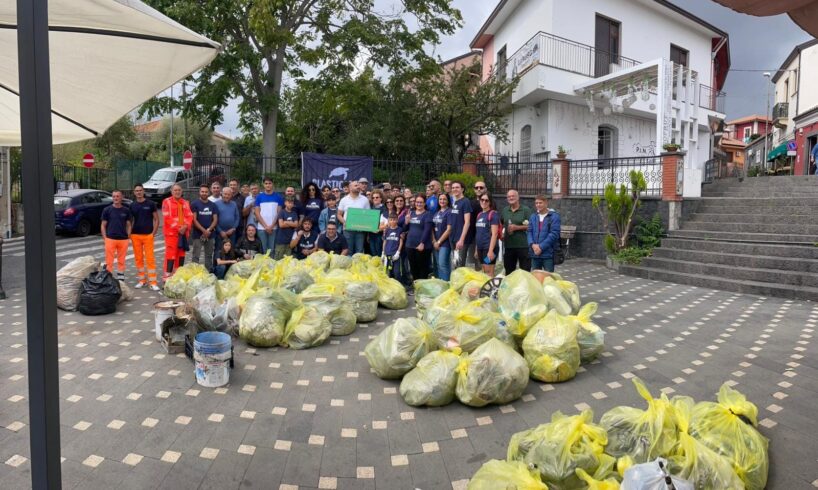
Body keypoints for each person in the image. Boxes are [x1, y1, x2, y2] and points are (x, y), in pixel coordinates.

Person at [129, 184, 160, 290]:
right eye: (136, 190)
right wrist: (129, 234)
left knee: (150, 259)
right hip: (135, 235)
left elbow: (156, 219)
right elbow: (130, 221)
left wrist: (154, 233)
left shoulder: (150, 204)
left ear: (143, 191)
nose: (138, 192)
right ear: (134, 192)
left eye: (140, 190)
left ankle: (153, 282)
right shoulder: (132, 205)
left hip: (148, 236)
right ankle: (142, 280)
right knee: (138, 259)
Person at [161, 184, 193, 280]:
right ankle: (167, 276)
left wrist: (185, 226)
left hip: (183, 234)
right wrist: (179, 228)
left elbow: (190, 215)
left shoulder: (185, 202)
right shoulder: (166, 202)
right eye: (175, 190)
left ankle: (178, 276)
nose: (177, 192)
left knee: (181, 255)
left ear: (181, 191)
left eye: (179, 190)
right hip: (172, 234)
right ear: (171, 191)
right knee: (171, 254)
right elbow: (167, 217)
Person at [101, 190, 133, 281]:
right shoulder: (107, 210)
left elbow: (129, 225)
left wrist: (128, 237)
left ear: (121, 197)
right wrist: (105, 238)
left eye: (117, 196)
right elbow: (103, 225)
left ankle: (120, 279)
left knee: (121, 260)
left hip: (123, 239)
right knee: (109, 260)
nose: (115, 198)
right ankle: (108, 279)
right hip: (110, 238)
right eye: (114, 196)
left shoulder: (126, 210)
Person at [527, 195, 561, 272]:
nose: (538, 205)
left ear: (546, 203)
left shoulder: (554, 216)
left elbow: (554, 234)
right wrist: (532, 245)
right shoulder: (533, 216)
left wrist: (541, 247)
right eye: (536, 203)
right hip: (535, 253)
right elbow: (529, 231)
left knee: (548, 279)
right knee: (535, 279)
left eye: (540, 203)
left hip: (548, 254)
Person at [501, 189, 532, 273]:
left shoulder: (526, 210)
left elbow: (532, 226)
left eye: (513, 196)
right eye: (509, 196)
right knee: (509, 272)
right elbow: (502, 224)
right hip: (509, 246)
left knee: (525, 272)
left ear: (518, 197)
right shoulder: (505, 210)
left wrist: (517, 227)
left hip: (523, 246)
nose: (511, 198)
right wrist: (502, 232)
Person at [190, 184, 219, 272]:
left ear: (208, 192)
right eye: (202, 191)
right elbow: (194, 220)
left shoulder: (213, 205)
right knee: (196, 255)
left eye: (206, 192)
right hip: (198, 234)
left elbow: (215, 219)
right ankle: (194, 273)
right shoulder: (194, 204)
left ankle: (208, 273)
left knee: (209, 255)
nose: (204, 193)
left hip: (210, 234)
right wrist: (203, 231)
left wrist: (208, 230)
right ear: (199, 192)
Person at [405, 194, 433, 281]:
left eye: (421, 202)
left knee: (423, 268)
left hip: (423, 246)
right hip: (410, 245)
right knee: (413, 268)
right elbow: (405, 229)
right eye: (417, 202)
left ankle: (422, 289)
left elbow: (427, 230)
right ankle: (416, 287)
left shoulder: (428, 214)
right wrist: (407, 221)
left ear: (424, 203)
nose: (419, 204)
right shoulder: (411, 213)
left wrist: (422, 243)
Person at [337, 180, 370, 255]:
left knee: (360, 251)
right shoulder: (344, 200)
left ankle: (358, 266)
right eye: (356, 185)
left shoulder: (365, 200)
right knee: (349, 251)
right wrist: (344, 222)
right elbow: (339, 214)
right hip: (348, 230)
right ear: (350, 188)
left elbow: (368, 215)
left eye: (358, 185)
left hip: (360, 230)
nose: (358, 187)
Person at [254, 177, 285, 252]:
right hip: (261, 227)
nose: (268, 185)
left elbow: (279, 213)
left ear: (272, 184)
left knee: (272, 250)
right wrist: (265, 226)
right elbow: (257, 213)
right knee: (263, 250)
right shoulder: (259, 197)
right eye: (266, 183)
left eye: (269, 183)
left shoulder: (278, 197)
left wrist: (271, 226)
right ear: (263, 185)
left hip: (273, 228)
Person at [474, 194, 500, 277]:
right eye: (482, 200)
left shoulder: (493, 215)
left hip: (489, 248)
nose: (484, 202)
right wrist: (476, 249)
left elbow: (495, 234)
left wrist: (490, 251)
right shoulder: (479, 215)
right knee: (484, 271)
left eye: (486, 200)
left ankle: (492, 290)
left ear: (490, 202)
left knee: (489, 272)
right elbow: (478, 233)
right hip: (480, 248)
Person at [448, 181, 472, 269]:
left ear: (462, 189)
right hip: (452, 238)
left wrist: (461, 239)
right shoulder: (453, 202)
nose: (455, 189)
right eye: (453, 187)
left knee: (460, 266)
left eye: (457, 187)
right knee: (455, 263)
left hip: (461, 239)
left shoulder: (465, 201)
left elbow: (467, 222)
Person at [215, 187, 240, 267]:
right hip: (219, 233)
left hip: (231, 233)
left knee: (231, 251)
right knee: (218, 251)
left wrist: (233, 228)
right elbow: (214, 219)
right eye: (225, 194)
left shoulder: (234, 204)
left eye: (229, 194)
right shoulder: (216, 204)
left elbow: (237, 217)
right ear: (221, 194)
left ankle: (229, 269)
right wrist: (220, 231)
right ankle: (216, 268)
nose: (226, 196)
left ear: (231, 195)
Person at [468, 180, 488, 270]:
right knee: (476, 262)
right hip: (473, 237)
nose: (479, 189)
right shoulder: (470, 202)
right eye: (476, 187)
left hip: (486, 238)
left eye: (481, 187)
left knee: (485, 264)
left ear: (485, 189)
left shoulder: (490, 203)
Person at [432, 193, 452, 281]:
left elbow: (449, 230)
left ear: (448, 201)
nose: (442, 201)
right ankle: (440, 284)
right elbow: (431, 228)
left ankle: (446, 285)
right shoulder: (436, 213)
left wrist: (439, 242)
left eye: (444, 199)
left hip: (445, 243)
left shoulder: (450, 212)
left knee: (443, 264)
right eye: (440, 199)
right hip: (435, 243)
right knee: (438, 265)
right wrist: (433, 241)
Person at [383, 213, 405, 283]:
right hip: (387, 254)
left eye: (394, 220)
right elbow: (385, 241)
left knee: (397, 272)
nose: (393, 221)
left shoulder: (400, 230)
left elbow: (401, 242)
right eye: (391, 220)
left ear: (397, 220)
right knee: (388, 273)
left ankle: (399, 285)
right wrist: (383, 252)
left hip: (395, 254)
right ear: (388, 221)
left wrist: (398, 252)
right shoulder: (387, 230)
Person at [369, 189, 388, 257]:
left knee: (379, 252)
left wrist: (378, 230)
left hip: (380, 234)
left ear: (381, 198)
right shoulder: (370, 208)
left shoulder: (385, 209)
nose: (375, 199)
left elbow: (386, 224)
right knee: (373, 252)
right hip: (371, 234)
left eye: (377, 197)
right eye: (373, 197)